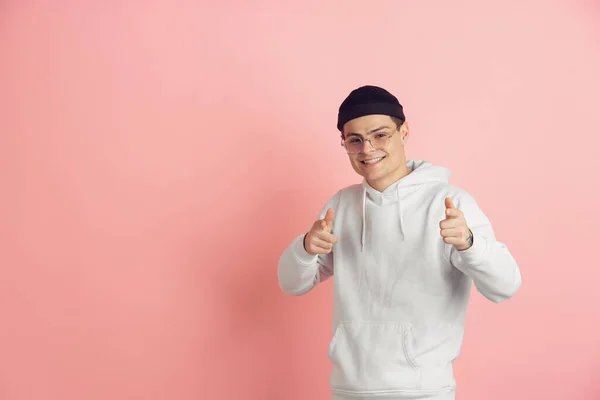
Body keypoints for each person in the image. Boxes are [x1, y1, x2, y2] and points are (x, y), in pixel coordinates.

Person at [277, 85, 522, 400]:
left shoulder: (449, 202)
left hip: (423, 391)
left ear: (404, 131)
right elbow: (291, 283)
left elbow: (505, 285)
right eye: (355, 140)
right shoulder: (342, 205)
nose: (367, 149)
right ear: (345, 144)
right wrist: (305, 248)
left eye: (380, 135)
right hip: (348, 389)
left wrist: (469, 244)